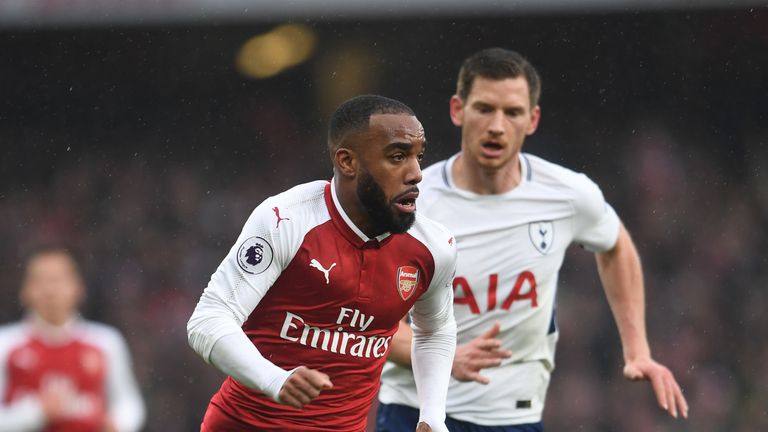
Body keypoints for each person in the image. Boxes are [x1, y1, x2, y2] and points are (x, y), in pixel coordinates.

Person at [377, 48, 689, 431]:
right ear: (458, 110)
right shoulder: (409, 203)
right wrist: (442, 357)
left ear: (532, 119)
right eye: (484, 108)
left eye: (512, 113)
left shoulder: (567, 194)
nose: (497, 125)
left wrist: (637, 349)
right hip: (416, 412)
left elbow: (616, 244)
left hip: (515, 418)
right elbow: (363, 315)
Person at [187, 95, 458, 432]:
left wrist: (433, 416)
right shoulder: (286, 219)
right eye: (397, 156)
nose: (416, 173)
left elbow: (435, 331)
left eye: (418, 156)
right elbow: (208, 320)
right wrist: (275, 380)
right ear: (347, 162)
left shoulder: (434, 247)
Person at [0, 246, 146, 432]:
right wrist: (36, 413)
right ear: (25, 291)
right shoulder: (4, 344)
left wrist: (119, 424)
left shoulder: (106, 342)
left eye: (58, 280)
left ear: (78, 288)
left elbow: (129, 403)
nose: (50, 290)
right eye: (40, 281)